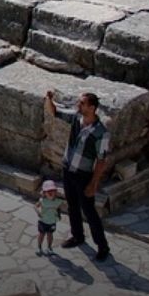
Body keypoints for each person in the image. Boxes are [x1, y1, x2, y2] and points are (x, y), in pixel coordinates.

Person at [44, 89, 112, 262]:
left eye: (82, 103)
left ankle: (102, 246)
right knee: (72, 206)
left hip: (83, 175)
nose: (78, 105)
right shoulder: (76, 118)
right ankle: (77, 236)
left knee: (89, 211)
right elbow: (54, 112)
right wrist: (49, 99)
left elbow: (102, 160)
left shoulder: (100, 133)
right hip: (69, 169)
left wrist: (93, 183)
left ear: (92, 108)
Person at [36, 180, 63, 256]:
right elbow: (35, 206)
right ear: (44, 193)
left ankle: (49, 247)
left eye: (52, 190)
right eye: (48, 191)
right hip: (43, 221)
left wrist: (59, 215)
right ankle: (39, 247)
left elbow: (58, 209)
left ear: (55, 191)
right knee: (41, 234)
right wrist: (38, 212)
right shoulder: (43, 201)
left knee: (50, 235)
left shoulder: (58, 201)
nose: (51, 192)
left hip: (52, 221)